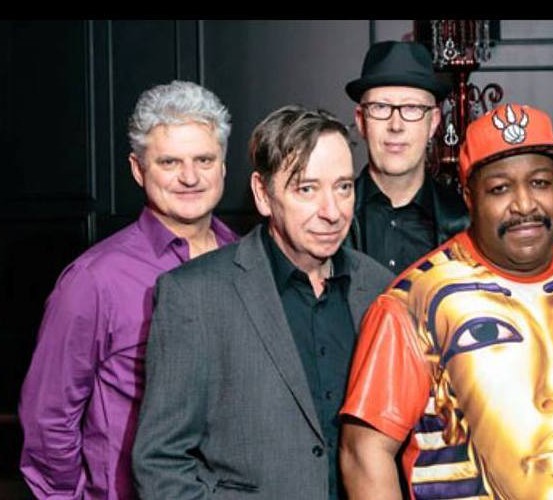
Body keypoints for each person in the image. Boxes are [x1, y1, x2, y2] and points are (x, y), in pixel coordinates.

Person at [339, 103, 553, 499]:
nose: (525, 205)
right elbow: (365, 450)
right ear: (469, 197)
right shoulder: (412, 304)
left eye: (540, 183)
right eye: (499, 189)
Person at [132, 105, 393, 499]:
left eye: (343, 187)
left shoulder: (379, 287)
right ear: (263, 194)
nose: (332, 211)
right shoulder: (195, 295)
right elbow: (159, 462)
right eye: (307, 189)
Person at [17, 80, 238, 500]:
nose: (190, 177)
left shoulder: (248, 260)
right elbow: (48, 420)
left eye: (204, 159)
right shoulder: (94, 280)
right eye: (169, 162)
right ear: (138, 169)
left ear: (223, 166)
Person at [345, 40, 469, 273]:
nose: (396, 125)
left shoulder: (464, 221)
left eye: (412, 108)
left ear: (433, 122)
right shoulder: (332, 218)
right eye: (381, 107)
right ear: (361, 121)